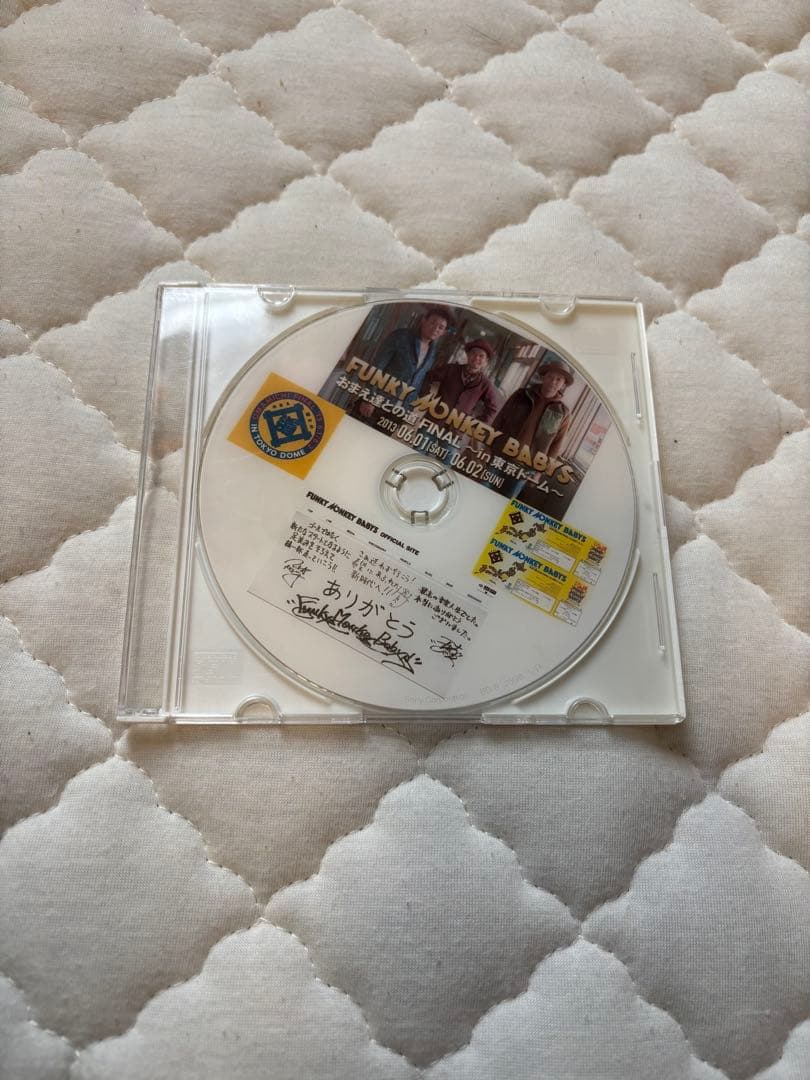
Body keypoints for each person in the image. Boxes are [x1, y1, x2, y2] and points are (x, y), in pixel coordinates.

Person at [491, 356, 575, 497]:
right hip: (500, 454)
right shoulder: (521, 394)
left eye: (558, 379)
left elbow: (556, 446)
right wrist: (487, 446)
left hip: (526, 468)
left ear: (563, 384)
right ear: (543, 377)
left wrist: (539, 473)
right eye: (550, 376)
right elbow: (499, 420)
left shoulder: (563, 413)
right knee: (482, 489)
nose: (553, 382)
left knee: (504, 500)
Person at [356, 305, 452, 420]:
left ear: (443, 332)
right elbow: (377, 366)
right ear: (424, 320)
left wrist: (410, 410)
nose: (436, 329)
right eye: (433, 323)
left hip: (401, 410)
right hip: (377, 401)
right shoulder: (400, 336)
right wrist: (370, 398)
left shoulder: (432, 353)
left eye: (441, 327)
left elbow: (418, 380)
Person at [430, 338, 500, 425]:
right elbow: (428, 377)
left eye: (481, 356)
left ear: (486, 361)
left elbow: (493, 409)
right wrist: (425, 398)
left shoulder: (485, 384)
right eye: (473, 353)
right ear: (468, 354)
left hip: (456, 428)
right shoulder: (450, 369)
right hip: (433, 420)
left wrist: (474, 424)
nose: (476, 358)